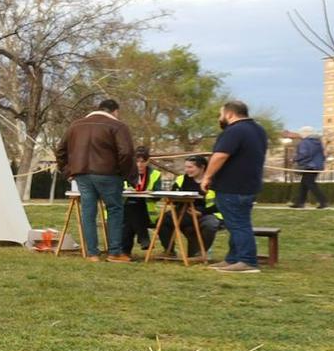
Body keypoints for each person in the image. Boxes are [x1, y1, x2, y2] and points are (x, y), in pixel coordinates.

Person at [55, 97, 136, 262]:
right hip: (109, 174)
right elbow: (126, 152)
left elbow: (60, 150)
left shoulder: (76, 125)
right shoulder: (118, 126)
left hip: (82, 175)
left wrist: (68, 171)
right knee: (114, 210)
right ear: (115, 111)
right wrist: (127, 174)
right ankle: (114, 252)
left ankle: (92, 253)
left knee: (88, 212)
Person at [201, 99, 268, 273]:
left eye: (220, 114)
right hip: (250, 184)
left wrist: (207, 176)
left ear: (229, 113)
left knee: (238, 224)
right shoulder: (258, 130)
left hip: (232, 186)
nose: (220, 117)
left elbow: (220, 155)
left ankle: (247, 260)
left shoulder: (234, 131)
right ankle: (233, 259)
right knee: (235, 223)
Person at [156, 154, 222, 257]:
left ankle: (201, 252)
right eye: (185, 167)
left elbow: (220, 204)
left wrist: (201, 212)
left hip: (206, 214)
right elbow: (172, 197)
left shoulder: (213, 182)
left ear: (202, 167)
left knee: (210, 224)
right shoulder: (181, 179)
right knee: (162, 220)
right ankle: (169, 251)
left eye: (190, 167)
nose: (187, 170)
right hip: (184, 212)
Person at [122, 146, 157, 253]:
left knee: (134, 209)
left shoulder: (155, 175)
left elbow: (159, 195)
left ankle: (125, 251)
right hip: (123, 210)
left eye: (143, 161)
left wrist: (149, 193)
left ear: (148, 161)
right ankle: (143, 237)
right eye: (137, 161)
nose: (140, 165)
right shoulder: (124, 173)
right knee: (131, 209)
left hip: (146, 213)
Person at [290, 128, 328, 209]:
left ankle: (323, 201)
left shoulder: (305, 142)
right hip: (317, 166)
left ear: (304, 133)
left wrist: (294, 159)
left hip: (309, 166)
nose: (300, 135)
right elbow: (322, 155)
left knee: (310, 183)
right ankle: (300, 202)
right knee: (304, 184)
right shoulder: (318, 142)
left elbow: (304, 154)